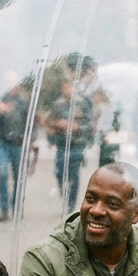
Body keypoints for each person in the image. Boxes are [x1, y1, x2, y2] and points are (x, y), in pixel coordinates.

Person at [44, 69, 96, 211]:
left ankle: (71, 204)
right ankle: (65, 197)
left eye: (70, 86)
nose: (68, 90)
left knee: (73, 175)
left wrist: (76, 127)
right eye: (65, 87)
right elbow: (49, 124)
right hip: (61, 144)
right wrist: (54, 133)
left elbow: (90, 125)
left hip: (77, 144)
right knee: (59, 173)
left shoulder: (83, 103)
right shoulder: (58, 105)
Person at [0, 75, 31, 222]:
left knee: (19, 178)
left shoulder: (24, 102)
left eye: (13, 81)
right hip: (2, 144)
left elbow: (31, 122)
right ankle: (4, 210)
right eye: (7, 81)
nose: (11, 84)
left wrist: (30, 142)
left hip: (19, 144)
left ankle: (17, 208)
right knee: (2, 174)